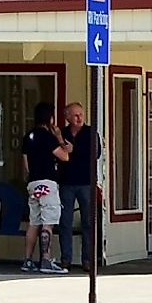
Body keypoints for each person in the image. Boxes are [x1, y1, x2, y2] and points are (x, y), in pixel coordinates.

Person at [20, 100, 67, 273]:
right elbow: (64, 156)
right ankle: (46, 260)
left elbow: (25, 164)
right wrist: (59, 139)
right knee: (48, 222)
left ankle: (27, 260)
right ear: (50, 118)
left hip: (33, 183)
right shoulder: (47, 137)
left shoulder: (28, 136)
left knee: (34, 222)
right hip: (48, 182)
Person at [58, 99, 100, 270]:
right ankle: (65, 258)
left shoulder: (91, 133)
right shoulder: (62, 133)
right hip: (66, 182)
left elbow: (95, 154)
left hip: (86, 182)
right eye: (75, 115)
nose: (79, 118)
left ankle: (88, 259)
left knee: (88, 222)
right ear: (67, 117)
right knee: (65, 222)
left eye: (81, 115)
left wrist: (74, 151)